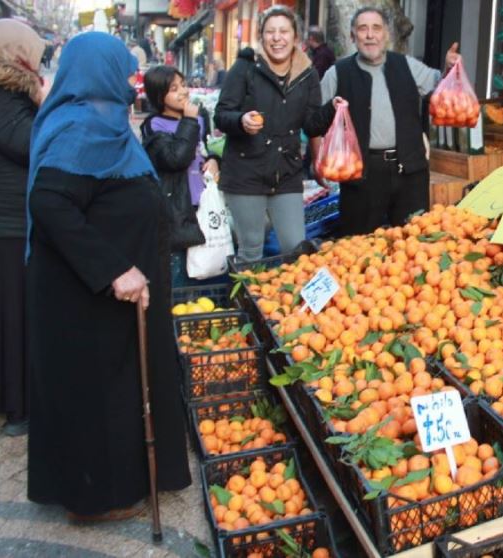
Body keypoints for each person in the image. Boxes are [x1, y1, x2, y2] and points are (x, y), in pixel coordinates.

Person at [26, 32, 190, 520]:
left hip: (119, 291)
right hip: (92, 294)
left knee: (119, 387)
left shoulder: (108, 124)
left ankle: (129, 482)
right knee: (100, 394)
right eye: (122, 72)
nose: (128, 82)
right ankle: (97, 497)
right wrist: (114, 269)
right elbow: (50, 202)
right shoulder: (82, 128)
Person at [318, 6, 461, 236]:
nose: (370, 35)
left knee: (414, 245)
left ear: (386, 35)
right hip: (362, 176)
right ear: (353, 36)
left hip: (409, 172)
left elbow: (439, 90)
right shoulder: (337, 73)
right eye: (363, 29)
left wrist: (449, 70)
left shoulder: (406, 65)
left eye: (376, 28)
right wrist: (330, 109)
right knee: (358, 248)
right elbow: (314, 122)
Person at [214, 5, 328, 261]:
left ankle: (288, 301)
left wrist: (332, 110)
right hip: (246, 171)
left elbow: (311, 124)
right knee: (251, 249)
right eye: (270, 32)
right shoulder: (245, 68)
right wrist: (241, 120)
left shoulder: (307, 74)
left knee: (296, 249)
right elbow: (221, 114)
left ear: (296, 38)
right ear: (261, 37)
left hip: (286, 172)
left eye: (284, 31)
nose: (277, 38)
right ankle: (250, 300)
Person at [0, 19, 47, 437]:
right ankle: (18, 409)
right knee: (14, 315)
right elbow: (29, 144)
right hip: (10, 220)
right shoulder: (7, 95)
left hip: (12, 217)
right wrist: (45, 105)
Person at [141, 65, 221, 289]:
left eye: (183, 85)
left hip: (202, 204)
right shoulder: (154, 125)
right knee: (180, 272)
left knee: (206, 268)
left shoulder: (198, 118)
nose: (183, 91)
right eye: (174, 88)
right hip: (177, 208)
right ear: (159, 96)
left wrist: (214, 160)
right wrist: (189, 121)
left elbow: (202, 150)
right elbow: (175, 159)